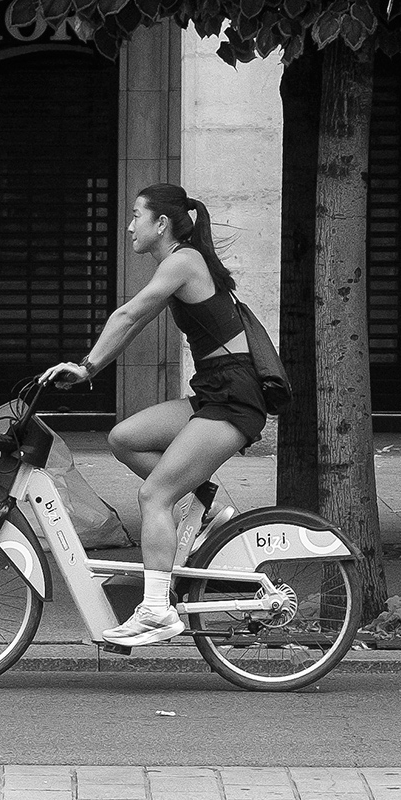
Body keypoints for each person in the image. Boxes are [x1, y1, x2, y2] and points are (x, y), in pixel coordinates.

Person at [42, 182, 267, 647]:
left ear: (161, 223)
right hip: (215, 389)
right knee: (125, 437)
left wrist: (86, 367)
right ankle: (205, 507)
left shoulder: (183, 261)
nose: (129, 227)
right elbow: (136, 320)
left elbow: (128, 315)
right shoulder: (180, 262)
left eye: (135, 216)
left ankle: (156, 611)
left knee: (154, 496)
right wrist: (91, 367)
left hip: (234, 395)